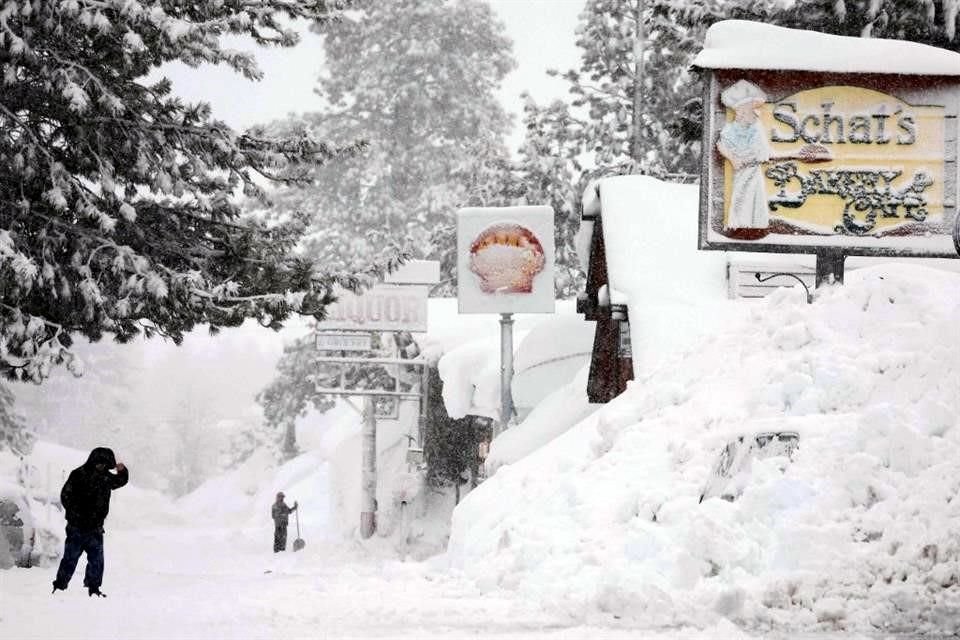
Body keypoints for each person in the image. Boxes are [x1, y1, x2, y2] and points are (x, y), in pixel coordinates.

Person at [51, 447, 128, 597]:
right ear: (93, 461)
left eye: (105, 465)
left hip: (95, 528)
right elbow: (65, 496)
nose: (102, 467)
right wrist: (74, 514)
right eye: (99, 464)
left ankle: (93, 588)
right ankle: (60, 586)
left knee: (97, 561)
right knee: (70, 558)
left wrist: (122, 469)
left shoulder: (105, 478)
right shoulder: (78, 475)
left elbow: (120, 480)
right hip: (76, 527)